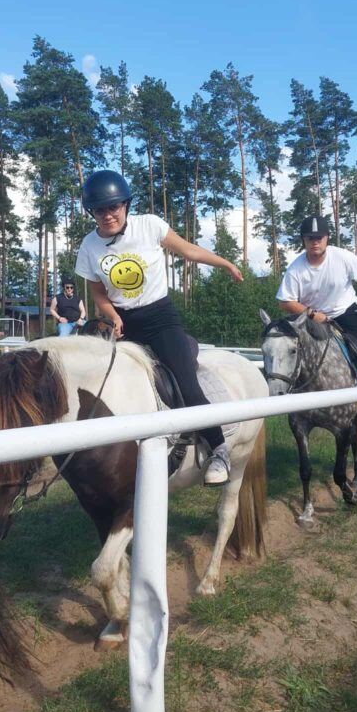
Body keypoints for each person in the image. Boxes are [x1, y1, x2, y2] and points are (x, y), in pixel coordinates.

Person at [75, 169, 243, 485]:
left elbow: (187, 250)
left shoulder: (149, 226)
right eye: (100, 210)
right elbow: (98, 292)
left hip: (160, 319)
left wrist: (225, 263)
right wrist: (112, 314)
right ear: (91, 212)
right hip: (124, 325)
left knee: (187, 384)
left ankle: (218, 448)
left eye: (114, 207)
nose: (108, 215)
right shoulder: (89, 246)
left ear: (125, 205)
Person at [276, 215, 357, 402]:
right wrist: (311, 313)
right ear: (304, 240)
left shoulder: (341, 256)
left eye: (319, 238)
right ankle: (289, 391)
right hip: (312, 316)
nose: (315, 242)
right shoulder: (295, 269)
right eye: (310, 238)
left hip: (345, 310)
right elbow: (285, 301)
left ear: (327, 238)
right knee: (290, 346)